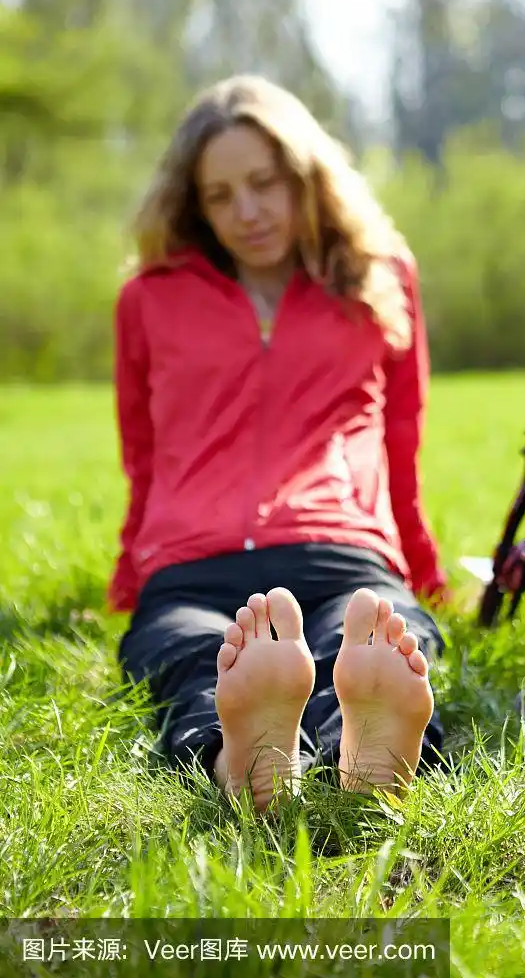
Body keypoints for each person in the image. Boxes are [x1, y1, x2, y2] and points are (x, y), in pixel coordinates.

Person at [111, 74, 450, 812]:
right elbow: (143, 452)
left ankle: (365, 750)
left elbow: (402, 438)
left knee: (368, 641)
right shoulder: (149, 299)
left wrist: (420, 569)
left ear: (305, 174)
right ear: (193, 203)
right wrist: (128, 578)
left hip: (339, 545)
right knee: (195, 661)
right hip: (190, 564)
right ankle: (249, 758)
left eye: (264, 183)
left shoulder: (379, 280)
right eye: (220, 195)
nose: (248, 212)